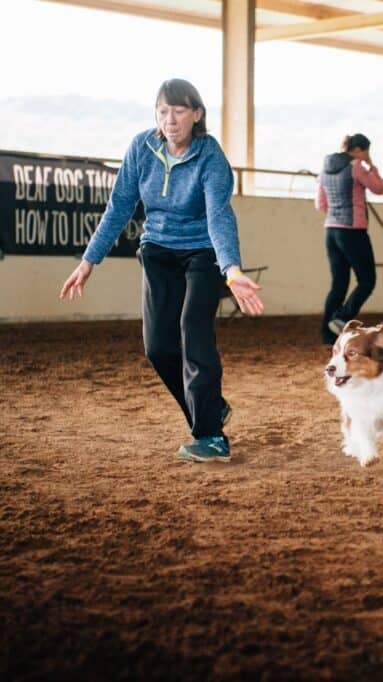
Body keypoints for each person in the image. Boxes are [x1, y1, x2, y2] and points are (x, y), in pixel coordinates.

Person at [60, 78, 264, 464]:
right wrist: (89, 261)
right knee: (158, 348)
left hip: (202, 255)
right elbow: (119, 206)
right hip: (157, 253)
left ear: (197, 115)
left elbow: (219, 216)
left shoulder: (211, 159)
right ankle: (210, 408)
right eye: (163, 111)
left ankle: (212, 437)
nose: (170, 119)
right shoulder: (142, 147)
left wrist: (231, 270)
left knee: (194, 333)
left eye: (180, 111)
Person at [315, 133, 383, 345]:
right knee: (367, 280)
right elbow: (378, 188)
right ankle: (343, 317)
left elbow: (320, 205)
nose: (366, 156)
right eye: (366, 152)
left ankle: (328, 334)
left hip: (331, 230)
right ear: (358, 150)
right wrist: (371, 166)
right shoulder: (356, 166)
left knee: (339, 283)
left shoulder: (324, 168)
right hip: (353, 230)